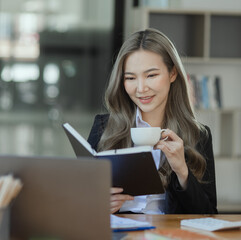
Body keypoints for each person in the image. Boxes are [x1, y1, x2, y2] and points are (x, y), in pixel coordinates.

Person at [87, 28, 217, 214]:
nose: (141, 88)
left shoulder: (198, 135)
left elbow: (208, 213)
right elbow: (81, 202)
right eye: (130, 78)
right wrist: (99, 204)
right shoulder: (103, 127)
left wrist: (182, 171)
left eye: (151, 75)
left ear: (172, 73)